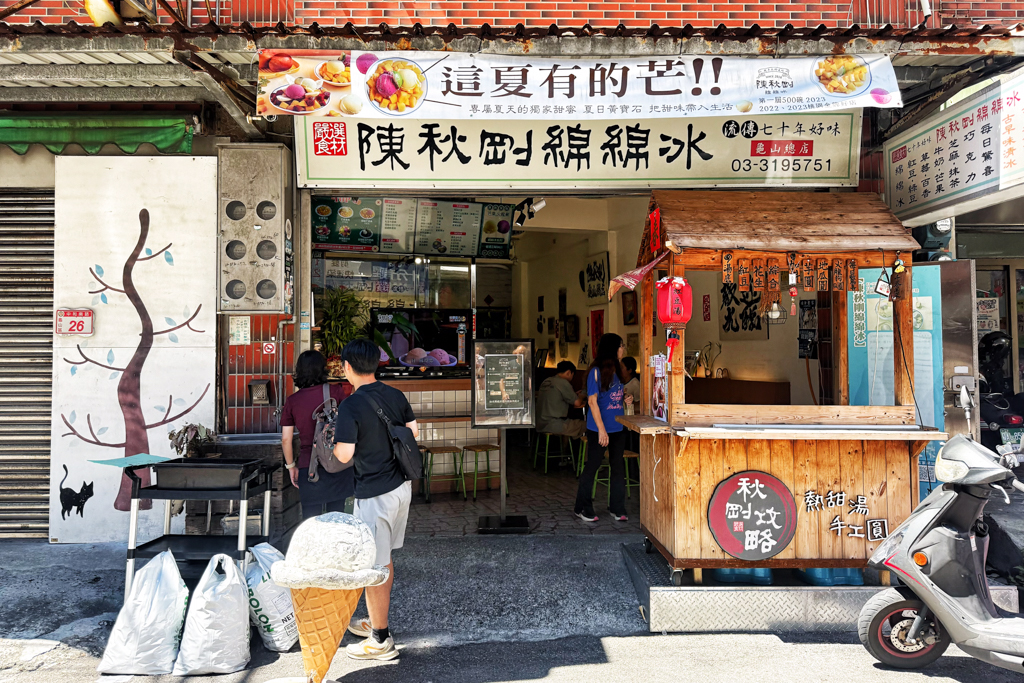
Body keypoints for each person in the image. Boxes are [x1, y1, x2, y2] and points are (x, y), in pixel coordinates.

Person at [332, 338, 418, 661]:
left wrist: (332, 445)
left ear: (347, 367)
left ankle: (380, 639)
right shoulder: (395, 395)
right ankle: (375, 617)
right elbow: (413, 432)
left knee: (375, 565)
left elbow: (344, 455)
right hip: (400, 488)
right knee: (384, 560)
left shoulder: (351, 405)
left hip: (375, 495)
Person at [280, 351, 353, 520]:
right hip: (337, 463)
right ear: (323, 369)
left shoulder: (293, 401)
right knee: (337, 519)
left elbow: (286, 439)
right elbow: (349, 425)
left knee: (311, 521)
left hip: (309, 466)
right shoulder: (336, 392)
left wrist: (291, 466)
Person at [574, 333, 633, 523]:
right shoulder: (595, 372)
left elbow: (614, 395)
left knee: (617, 468)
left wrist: (626, 398)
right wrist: (601, 430)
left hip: (618, 427)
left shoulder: (618, 371)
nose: (623, 349)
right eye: (621, 346)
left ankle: (617, 508)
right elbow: (592, 402)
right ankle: (583, 507)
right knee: (593, 466)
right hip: (598, 428)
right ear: (613, 348)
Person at [537, 360, 586, 439]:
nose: (572, 378)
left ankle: (564, 446)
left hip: (539, 424)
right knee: (586, 425)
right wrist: (581, 396)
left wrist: (574, 394)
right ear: (569, 372)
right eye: (572, 375)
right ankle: (569, 447)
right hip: (555, 425)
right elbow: (577, 403)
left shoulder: (547, 381)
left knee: (569, 423)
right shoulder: (563, 382)